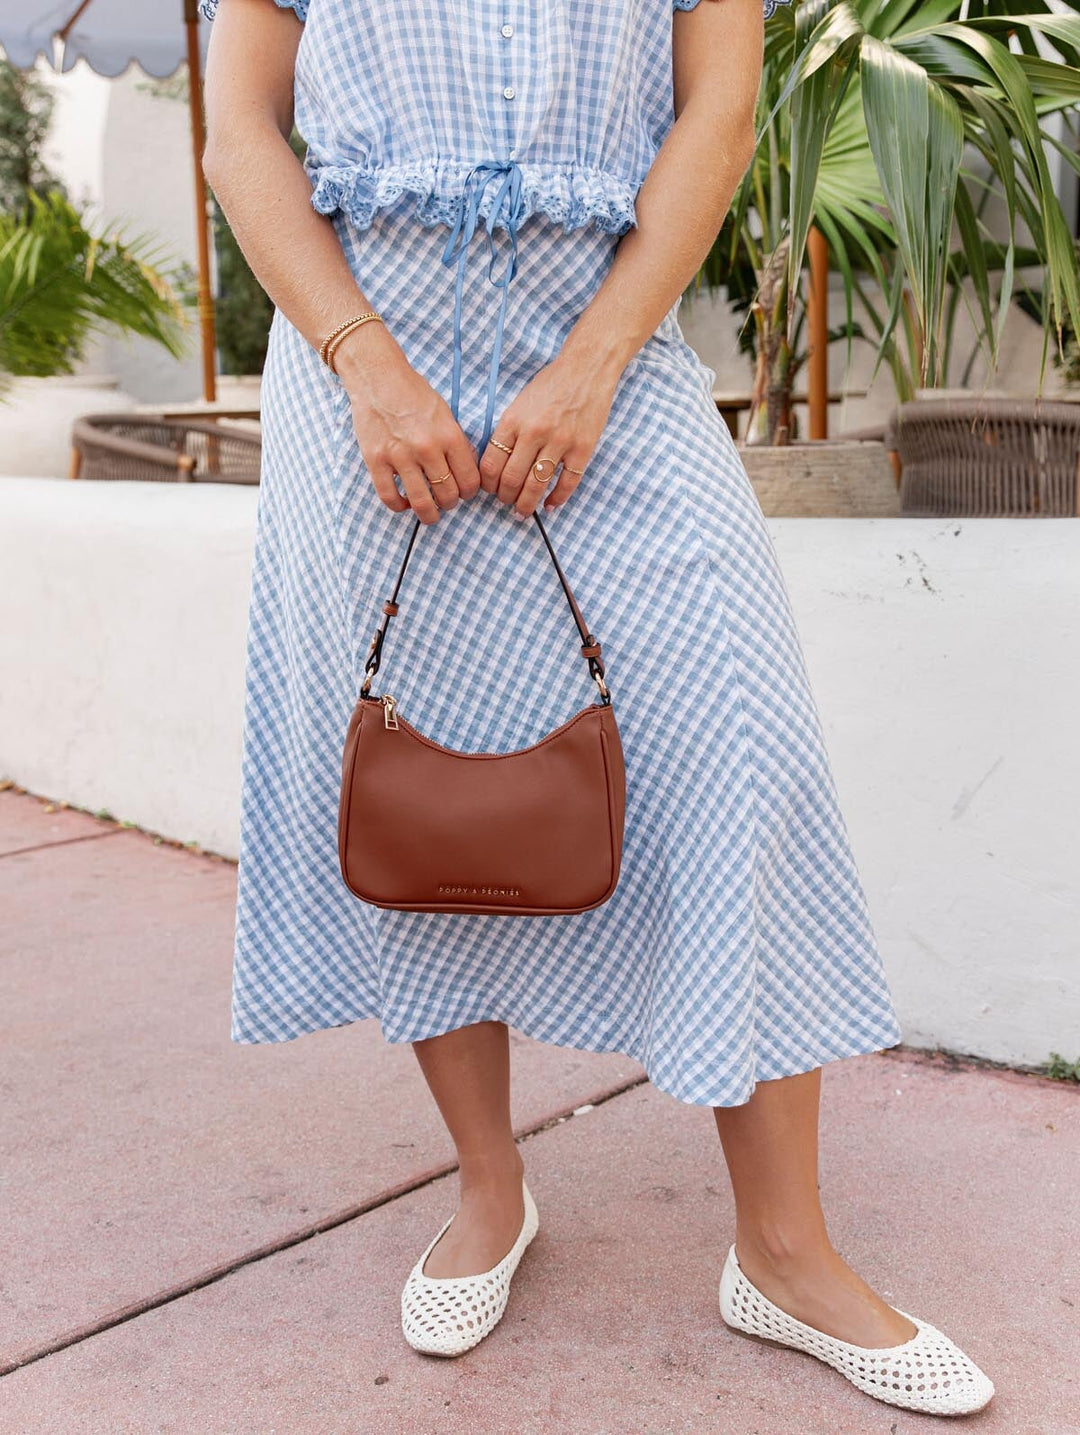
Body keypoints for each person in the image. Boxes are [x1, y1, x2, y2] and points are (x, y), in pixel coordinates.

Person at [199, 0, 993, 1413]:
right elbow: (241, 130)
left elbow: (716, 111)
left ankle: (785, 1251)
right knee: (418, 777)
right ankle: (492, 1190)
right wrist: (363, 362)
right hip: (357, 368)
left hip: (609, 351)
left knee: (736, 758)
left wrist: (593, 362)